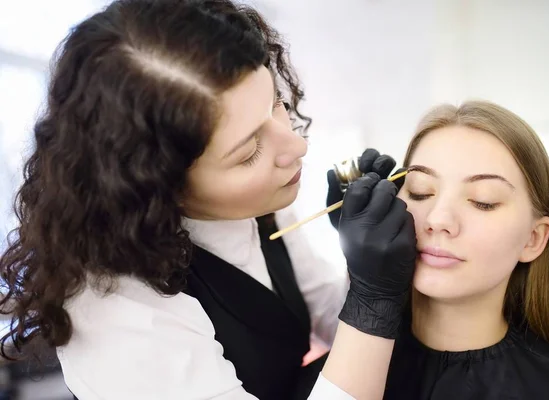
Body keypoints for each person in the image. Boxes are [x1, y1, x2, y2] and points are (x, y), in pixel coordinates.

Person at [0, 1, 417, 399]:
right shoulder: (119, 311)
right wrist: (373, 300)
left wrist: (363, 263)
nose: (296, 146)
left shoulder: (256, 208)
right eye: (250, 151)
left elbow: (332, 320)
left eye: (276, 104)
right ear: (156, 184)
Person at [382, 100, 549, 399]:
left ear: (533, 239)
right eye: (421, 191)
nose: (438, 219)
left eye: (483, 201)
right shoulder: (334, 379)